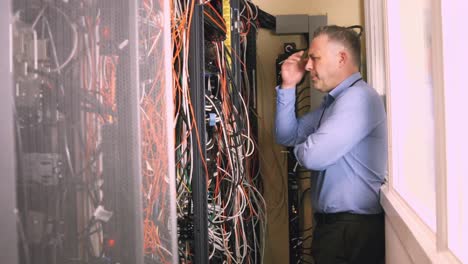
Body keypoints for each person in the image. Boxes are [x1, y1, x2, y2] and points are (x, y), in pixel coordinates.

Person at [275, 25, 387, 264]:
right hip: (337, 229)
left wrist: (306, 148)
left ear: (341, 58)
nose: (307, 66)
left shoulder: (359, 98)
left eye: (314, 58)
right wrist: (288, 86)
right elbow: (287, 135)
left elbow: (313, 157)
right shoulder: (334, 105)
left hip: (353, 232)